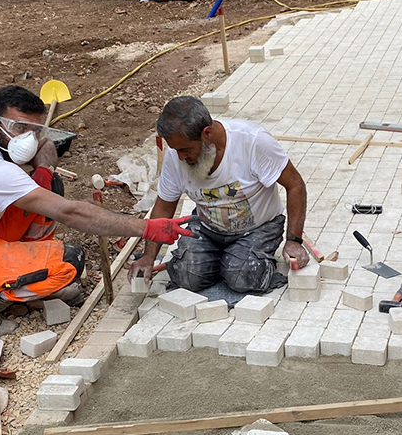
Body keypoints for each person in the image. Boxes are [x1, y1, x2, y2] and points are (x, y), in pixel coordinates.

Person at [0, 85, 192, 336]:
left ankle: (19, 275)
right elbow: (70, 213)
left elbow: (44, 146)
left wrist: (42, 168)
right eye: (19, 128)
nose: (28, 139)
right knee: (68, 262)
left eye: (35, 129)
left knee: (50, 185)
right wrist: (145, 227)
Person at [129, 96, 309, 293]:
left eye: (185, 149)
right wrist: (149, 257)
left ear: (207, 133)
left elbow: (295, 185)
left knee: (243, 276)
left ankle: (237, 261)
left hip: (259, 227)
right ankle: (221, 260)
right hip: (208, 227)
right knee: (188, 276)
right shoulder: (176, 155)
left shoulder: (252, 141)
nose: (180, 157)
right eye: (176, 150)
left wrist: (293, 240)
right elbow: (164, 206)